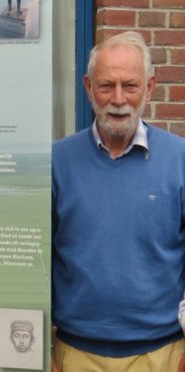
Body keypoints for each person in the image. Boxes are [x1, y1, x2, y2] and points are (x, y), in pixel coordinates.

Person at [52, 31, 185, 371]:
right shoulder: (57, 161)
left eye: (130, 85)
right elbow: (34, 261)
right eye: (106, 86)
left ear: (150, 87)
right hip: (74, 355)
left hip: (162, 356)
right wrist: (37, 349)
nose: (118, 98)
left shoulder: (180, 159)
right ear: (87, 87)